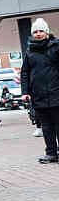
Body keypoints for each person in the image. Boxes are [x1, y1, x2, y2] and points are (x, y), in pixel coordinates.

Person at [20, 18, 59, 164]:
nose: (38, 34)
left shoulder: (56, 47)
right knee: (47, 127)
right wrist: (25, 92)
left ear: (47, 32)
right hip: (39, 96)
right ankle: (51, 153)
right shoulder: (30, 52)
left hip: (56, 93)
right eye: (35, 31)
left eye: (41, 31)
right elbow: (25, 73)